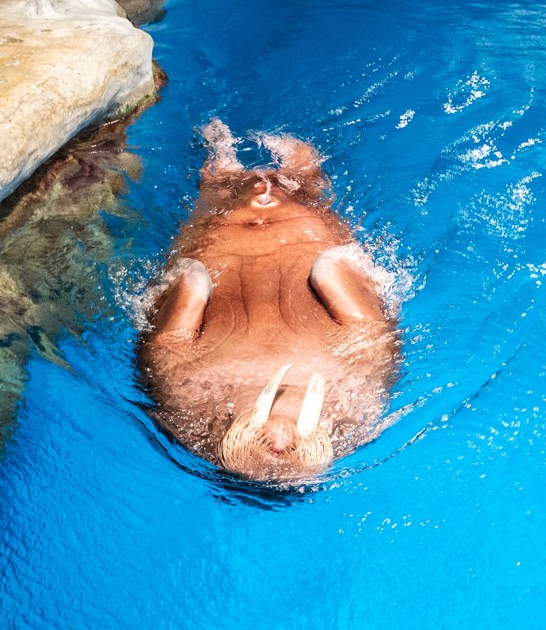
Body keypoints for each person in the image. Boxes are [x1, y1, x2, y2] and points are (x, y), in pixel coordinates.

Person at [137, 120, 400, 482]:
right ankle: (295, 167)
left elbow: (168, 339)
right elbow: (369, 328)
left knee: (216, 180)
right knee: (302, 177)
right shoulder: (356, 412)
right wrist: (331, 273)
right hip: (302, 222)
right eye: (290, 463)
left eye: (259, 464)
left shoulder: (189, 412)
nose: (277, 454)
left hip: (222, 231)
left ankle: (220, 153)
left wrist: (192, 288)